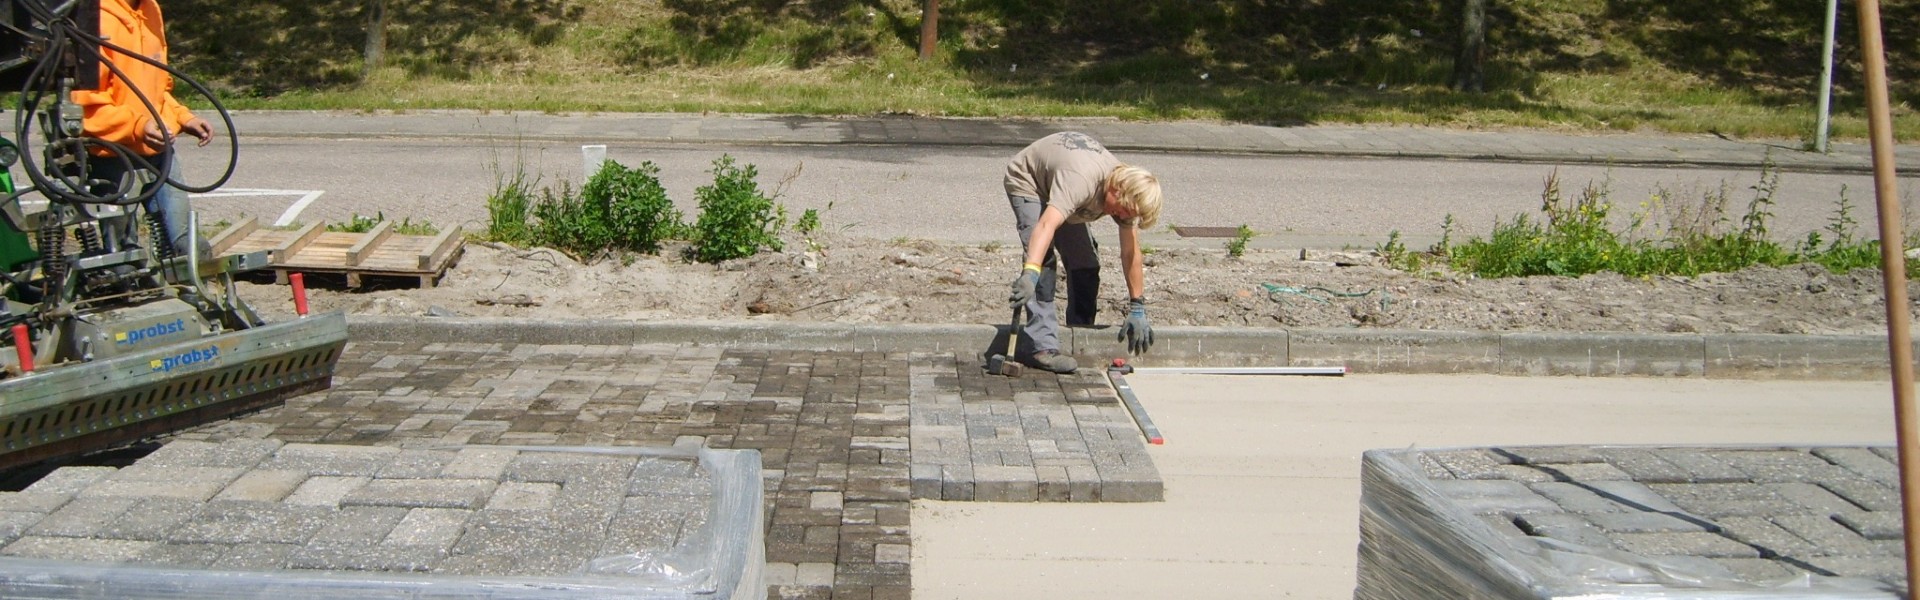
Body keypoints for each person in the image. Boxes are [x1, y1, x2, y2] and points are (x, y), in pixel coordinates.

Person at [1004, 131, 1163, 373]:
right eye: (1121, 211)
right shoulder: (1081, 181)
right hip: (1031, 182)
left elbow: (1130, 252)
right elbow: (1046, 225)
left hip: (1067, 191)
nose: (1121, 218)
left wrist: (1137, 306)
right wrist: (1030, 272)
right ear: (1116, 189)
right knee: (1043, 264)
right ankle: (1042, 347)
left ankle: (1079, 331)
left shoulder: (1126, 194)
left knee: (1086, 263)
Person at [74, 0, 214, 257]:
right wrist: (136, 126)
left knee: (187, 246)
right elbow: (86, 102)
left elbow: (157, 88)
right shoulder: (93, 15)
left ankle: (188, 288)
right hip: (111, 150)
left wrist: (182, 117)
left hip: (158, 148)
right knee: (122, 257)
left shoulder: (150, 10)